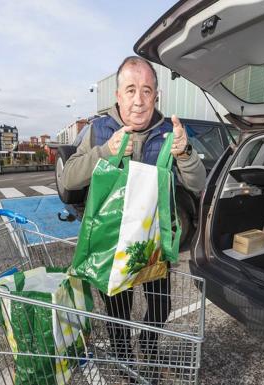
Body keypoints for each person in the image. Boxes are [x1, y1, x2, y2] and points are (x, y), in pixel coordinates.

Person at [61, 56, 206, 366]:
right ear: (118, 96)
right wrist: (105, 152)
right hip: (111, 244)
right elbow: (69, 176)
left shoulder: (171, 132)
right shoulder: (98, 130)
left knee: (160, 305)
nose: (139, 101)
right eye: (130, 90)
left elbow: (197, 182)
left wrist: (185, 152)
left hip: (153, 243)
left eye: (146, 90)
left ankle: (150, 346)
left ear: (156, 95)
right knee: (118, 311)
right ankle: (124, 356)